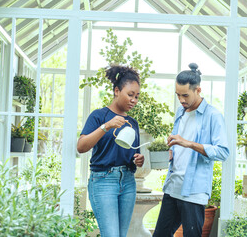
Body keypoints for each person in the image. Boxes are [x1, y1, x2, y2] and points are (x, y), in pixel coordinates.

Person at [153, 63, 229, 237]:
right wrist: (171, 151)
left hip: (194, 192)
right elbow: (178, 143)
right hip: (173, 187)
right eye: (178, 95)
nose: (181, 100)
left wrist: (189, 143)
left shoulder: (213, 116)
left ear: (198, 90)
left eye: (185, 95)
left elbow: (223, 151)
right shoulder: (180, 112)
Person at [77, 65, 144, 237]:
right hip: (103, 181)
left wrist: (137, 160)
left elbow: (131, 153)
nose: (134, 100)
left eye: (136, 96)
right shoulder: (99, 116)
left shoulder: (133, 124)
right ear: (116, 90)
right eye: (130, 95)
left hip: (128, 181)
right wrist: (106, 126)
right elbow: (81, 146)